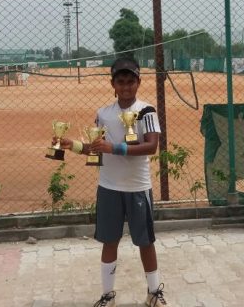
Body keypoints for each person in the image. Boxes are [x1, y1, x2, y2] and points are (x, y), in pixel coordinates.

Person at [53, 57, 170, 307]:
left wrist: (114, 148)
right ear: (113, 84)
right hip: (109, 187)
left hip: (138, 188)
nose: (126, 86)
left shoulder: (147, 111)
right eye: (121, 81)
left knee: (145, 242)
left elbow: (151, 146)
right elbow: (97, 149)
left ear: (138, 82)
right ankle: (107, 295)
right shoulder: (103, 114)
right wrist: (70, 144)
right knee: (110, 241)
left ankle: (153, 292)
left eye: (131, 81)